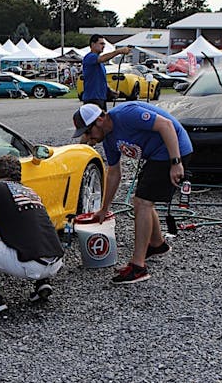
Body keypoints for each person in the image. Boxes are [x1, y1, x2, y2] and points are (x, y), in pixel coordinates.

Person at [71, 102, 193, 284]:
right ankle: (157, 244)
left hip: (173, 151)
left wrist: (176, 163)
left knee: (142, 202)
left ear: (99, 120)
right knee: (144, 199)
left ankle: (138, 266)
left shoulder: (126, 115)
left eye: (88, 132)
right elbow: (114, 173)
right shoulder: (109, 139)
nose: (89, 139)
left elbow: (166, 125)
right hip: (155, 156)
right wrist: (104, 209)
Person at [0, 154, 65, 316]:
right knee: (27, 233)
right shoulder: (29, 192)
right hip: (55, 262)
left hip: (31, 266)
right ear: (18, 176)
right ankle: (42, 283)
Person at [81, 34, 132, 111]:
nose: (103, 46)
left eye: (104, 44)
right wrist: (118, 51)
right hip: (92, 98)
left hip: (101, 98)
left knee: (103, 121)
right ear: (93, 44)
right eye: (101, 43)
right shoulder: (90, 57)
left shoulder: (100, 64)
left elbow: (101, 80)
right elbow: (102, 58)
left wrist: (110, 91)